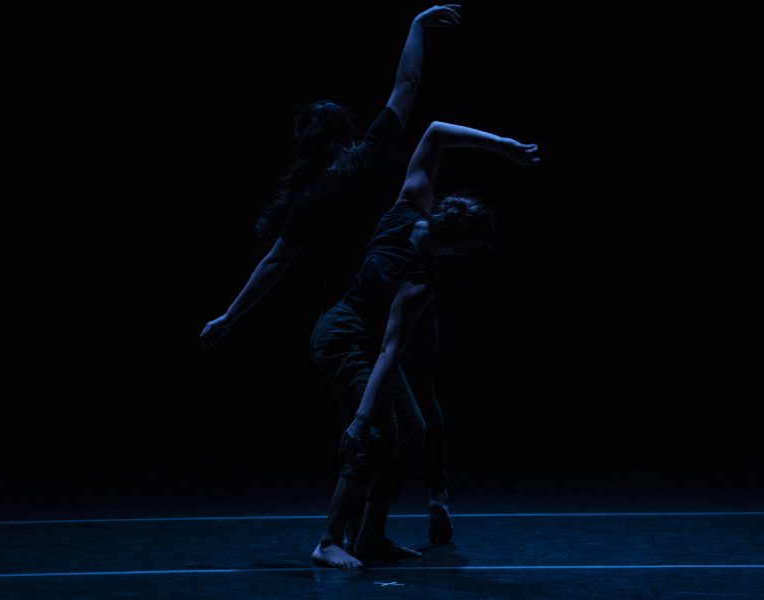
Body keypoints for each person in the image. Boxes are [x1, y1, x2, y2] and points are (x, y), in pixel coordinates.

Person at [199, 6, 462, 541]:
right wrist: (415, 25)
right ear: (345, 131)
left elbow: (275, 264)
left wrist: (230, 316)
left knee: (389, 423)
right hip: (397, 303)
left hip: (360, 311)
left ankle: (367, 536)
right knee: (399, 419)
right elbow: (407, 83)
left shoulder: (314, 195)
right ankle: (345, 536)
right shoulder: (376, 155)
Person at [310, 120, 540, 568]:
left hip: (353, 335)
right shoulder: (419, 282)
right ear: (456, 246)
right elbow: (390, 350)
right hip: (342, 336)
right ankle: (329, 540)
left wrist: (503, 145)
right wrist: (360, 418)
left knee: (412, 429)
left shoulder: (409, 203)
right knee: (374, 435)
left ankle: (370, 535)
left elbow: (434, 133)